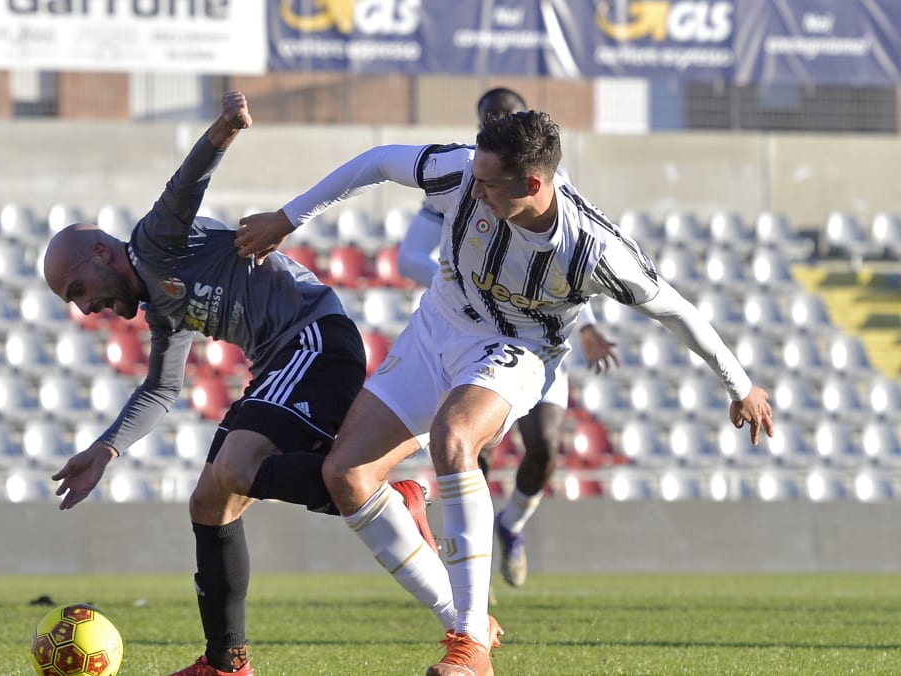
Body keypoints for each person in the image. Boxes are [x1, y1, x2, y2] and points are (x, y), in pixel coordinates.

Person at [235, 110, 774, 676]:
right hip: (437, 328)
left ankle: (469, 647)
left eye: (490, 182)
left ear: (534, 185)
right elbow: (376, 161)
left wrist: (739, 385)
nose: (476, 186)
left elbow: (675, 309)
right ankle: (464, 619)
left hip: (516, 351)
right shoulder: (461, 171)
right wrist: (287, 217)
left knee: (454, 437)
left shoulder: (594, 249)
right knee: (345, 476)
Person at [45, 92, 459, 676]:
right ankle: (226, 663)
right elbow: (162, 390)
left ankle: (387, 498)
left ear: (99, 252)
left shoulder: (153, 242)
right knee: (211, 500)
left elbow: (185, 186)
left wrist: (223, 130)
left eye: (78, 290)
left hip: (315, 338)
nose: (87, 308)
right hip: (283, 359)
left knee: (237, 469)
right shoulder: (161, 308)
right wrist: (106, 449)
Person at [397, 87, 620, 591]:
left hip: (536, 342)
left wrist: (585, 330)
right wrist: (461, 283)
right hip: (479, 337)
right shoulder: (462, 178)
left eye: (506, 115)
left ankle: (511, 525)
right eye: (489, 118)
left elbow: (566, 273)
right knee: (472, 450)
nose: (497, 122)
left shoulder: (548, 184)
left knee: (542, 446)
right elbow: (408, 257)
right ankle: (471, 574)